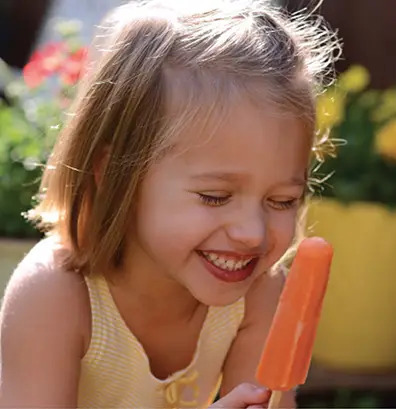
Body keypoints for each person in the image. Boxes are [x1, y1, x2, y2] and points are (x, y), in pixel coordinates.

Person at [0, 0, 339, 407]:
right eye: (215, 197)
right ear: (113, 173)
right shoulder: (55, 296)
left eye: (282, 200)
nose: (252, 232)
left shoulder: (259, 296)